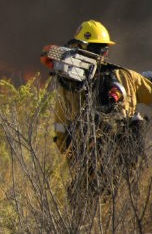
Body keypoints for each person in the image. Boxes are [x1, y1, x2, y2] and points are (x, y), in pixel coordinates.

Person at [43, 19, 152, 199]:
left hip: (87, 167)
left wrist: (71, 157)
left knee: (84, 205)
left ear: (78, 48)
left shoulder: (68, 84)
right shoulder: (127, 77)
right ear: (106, 50)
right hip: (125, 172)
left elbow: (60, 127)